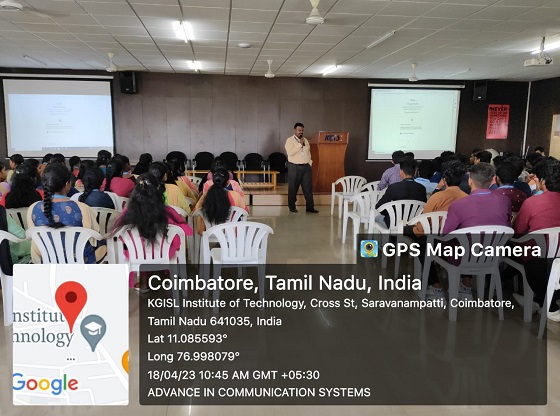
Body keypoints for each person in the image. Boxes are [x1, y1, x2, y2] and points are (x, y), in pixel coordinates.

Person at [442, 162, 511, 299]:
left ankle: (456, 287)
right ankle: (466, 285)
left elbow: (446, 235)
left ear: (470, 180)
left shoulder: (458, 205)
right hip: (493, 255)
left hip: (464, 257)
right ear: (493, 180)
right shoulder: (504, 201)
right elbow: (507, 225)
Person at [113, 173, 193, 292]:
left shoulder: (128, 212)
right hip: (165, 253)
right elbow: (186, 231)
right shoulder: (168, 211)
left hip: (136, 255)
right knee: (165, 242)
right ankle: (170, 277)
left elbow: (118, 232)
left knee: (141, 244)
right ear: (158, 190)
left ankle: (144, 282)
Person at [512, 160, 560, 321]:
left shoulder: (532, 202)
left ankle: (548, 304)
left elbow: (518, 231)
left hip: (538, 261)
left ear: (543, 181)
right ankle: (539, 301)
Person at [27, 163, 100, 264]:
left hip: (47, 261)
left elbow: (34, 240)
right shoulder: (82, 207)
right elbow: (94, 236)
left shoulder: (33, 208)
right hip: (80, 262)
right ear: (67, 184)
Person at [375, 156, 427, 228]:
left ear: (401, 172)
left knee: (377, 218)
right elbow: (423, 207)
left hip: (394, 223)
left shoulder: (393, 187)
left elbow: (379, 206)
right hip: (413, 224)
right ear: (415, 172)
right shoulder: (422, 188)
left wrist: (391, 213)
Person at [194, 167, 248, 235]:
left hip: (209, 232)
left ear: (213, 181)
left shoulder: (205, 196)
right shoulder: (236, 196)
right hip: (231, 233)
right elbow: (245, 212)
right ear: (228, 182)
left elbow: (196, 211)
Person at [285, 122, 318, 213]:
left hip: (306, 167)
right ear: (294, 130)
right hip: (294, 167)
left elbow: (308, 152)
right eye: (299, 130)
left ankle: (310, 207)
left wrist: (310, 162)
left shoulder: (305, 140)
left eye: (302, 130)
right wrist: (299, 144)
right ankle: (292, 207)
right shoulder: (289, 140)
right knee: (293, 188)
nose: (301, 132)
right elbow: (290, 153)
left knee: (308, 188)